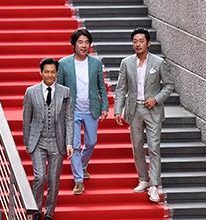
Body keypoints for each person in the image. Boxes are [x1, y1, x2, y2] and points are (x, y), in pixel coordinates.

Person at [114, 28, 174, 203]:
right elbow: (121, 88)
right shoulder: (126, 63)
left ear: (148, 43)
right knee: (137, 146)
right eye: (135, 41)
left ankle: (154, 185)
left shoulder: (158, 62)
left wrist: (156, 99)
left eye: (141, 41)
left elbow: (169, 85)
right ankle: (143, 179)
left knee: (154, 147)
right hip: (134, 110)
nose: (137, 44)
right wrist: (118, 110)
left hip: (153, 110)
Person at [23, 58, 74, 220]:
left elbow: (69, 119)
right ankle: (36, 211)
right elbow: (26, 119)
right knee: (39, 177)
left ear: (57, 73)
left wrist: (69, 143)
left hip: (57, 141)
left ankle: (49, 213)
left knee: (53, 179)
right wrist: (27, 143)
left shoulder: (65, 92)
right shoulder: (31, 92)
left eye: (53, 72)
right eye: (46, 71)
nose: (50, 75)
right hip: (38, 141)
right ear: (41, 72)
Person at [57, 28, 108, 196]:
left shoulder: (96, 63)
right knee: (75, 146)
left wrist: (105, 107)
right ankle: (78, 180)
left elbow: (101, 86)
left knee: (92, 141)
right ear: (74, 44)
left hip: (91, 109)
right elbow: (58, 88)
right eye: (80, 42)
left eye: (86, 42)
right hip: (71, 111)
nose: (83, 45)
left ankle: (83, 165)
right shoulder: (64, 63)